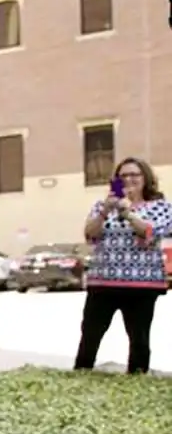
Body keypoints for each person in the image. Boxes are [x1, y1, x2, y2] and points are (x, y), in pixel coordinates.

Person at [74, 157, 172, 373]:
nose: (128, 179)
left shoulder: (161, 207)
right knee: (90, 335)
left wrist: (127, 212)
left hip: (142, 283)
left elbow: (151, 231)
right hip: (103, 281)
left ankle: (137, 378)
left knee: (139, 338)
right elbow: (90, 233)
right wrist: (105, 211)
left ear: (145, 178)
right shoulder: (102, 206)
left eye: (134, 175)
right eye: (123, 176)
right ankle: (81, 374)